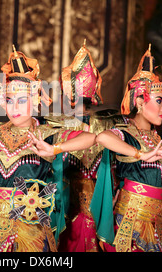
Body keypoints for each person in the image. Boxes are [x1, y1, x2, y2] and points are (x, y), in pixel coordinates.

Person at [29, 46, 162, 252]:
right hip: (73, 206)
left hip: (113, 207)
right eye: (159, 102)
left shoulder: (117, 123)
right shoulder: (56, 125)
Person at [0, 47, 96, 252]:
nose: (14, 107)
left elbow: (91, 138)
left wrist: (55, 149)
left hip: (30, 232)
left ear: (35, 100)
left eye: (22, 100)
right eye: (9, 100)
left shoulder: (45, 134)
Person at [46, 40, 122, 252]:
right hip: (66, 203)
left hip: (104, 203)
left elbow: (118, 164)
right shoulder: (54, 125)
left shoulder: (110, 122)